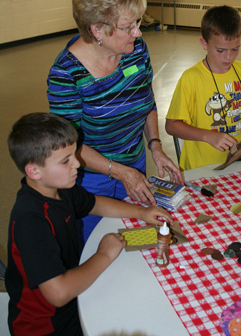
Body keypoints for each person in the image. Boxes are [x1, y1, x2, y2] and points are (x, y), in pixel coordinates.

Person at [6, 112, 173, 336]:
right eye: (66, 161)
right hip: (46, 325)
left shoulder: (60, 188)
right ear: (33, 170)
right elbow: (58, 292)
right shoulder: (31, 220)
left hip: (73, 299)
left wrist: (141, 212)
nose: (77, 163)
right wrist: (104, 254)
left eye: (74, 154)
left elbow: (93, 203)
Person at [47, 0, 182, 241]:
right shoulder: (66, 75)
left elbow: (147, 101)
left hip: (134, 164)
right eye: (128, 26)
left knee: (136, 237)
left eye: (138, 22)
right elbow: (68, 145)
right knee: (97, 246)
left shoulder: (137, 49)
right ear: (98, 29)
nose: (138, 32)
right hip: (89, 179)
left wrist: (155, 146)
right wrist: (121, 172)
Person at [165, 5, 241, 171]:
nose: (228, 57)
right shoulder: (191, 78)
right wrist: (208, 136)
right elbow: (171, 125)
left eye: (235, 49)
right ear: (204, 43)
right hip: (202, 167)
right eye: (220, 50)